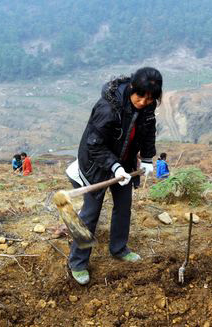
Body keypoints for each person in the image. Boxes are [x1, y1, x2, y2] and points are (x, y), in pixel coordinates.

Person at [68, 67, 162, 285]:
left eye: (150, 99)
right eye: (140, 96)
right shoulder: (108, 108)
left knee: (123, 206)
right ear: (132, 88)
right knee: (90, 212)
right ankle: (78, 262)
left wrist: (147, 158)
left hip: (126, 163)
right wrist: (114, 167)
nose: (143, 102)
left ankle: (119, 248)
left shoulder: (148, 108)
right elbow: (94, 145)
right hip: (96, 164)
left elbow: (148, 132)